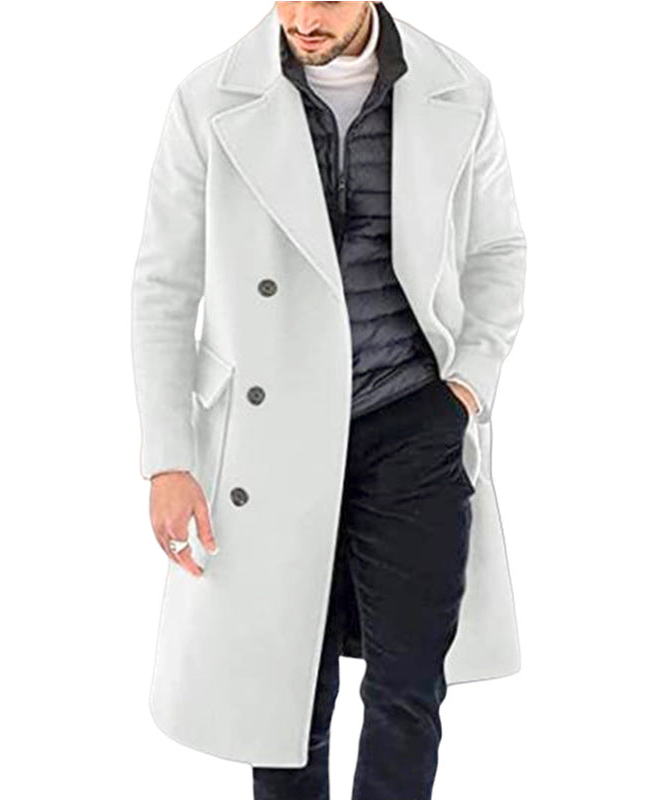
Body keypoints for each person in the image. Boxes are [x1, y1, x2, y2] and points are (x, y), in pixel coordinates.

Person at [131, 3, 526, 798]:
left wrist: (466, 387)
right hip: (271, 435)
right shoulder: (207, 99)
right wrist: (169, 459)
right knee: (284, 695)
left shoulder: (459, 89)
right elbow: (164, 286)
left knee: (409, 688)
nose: (306, 17)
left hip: (412, 418)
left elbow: (498, 249)